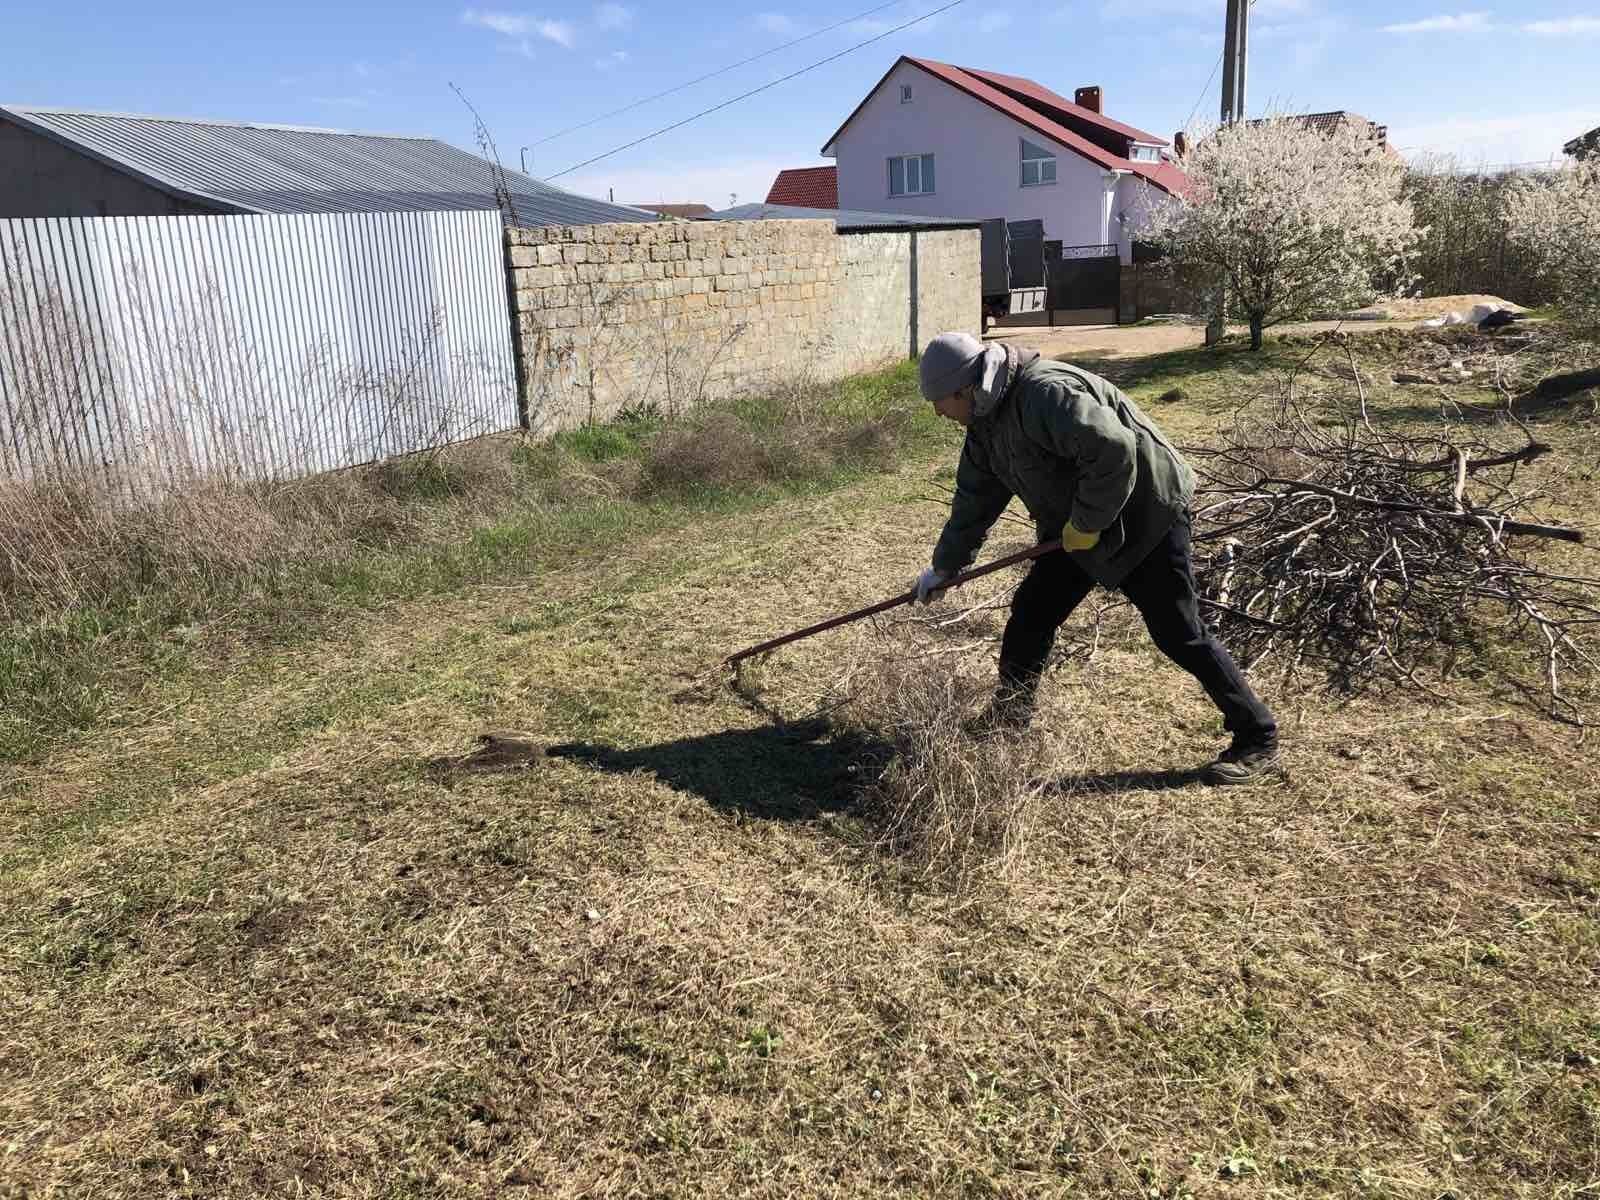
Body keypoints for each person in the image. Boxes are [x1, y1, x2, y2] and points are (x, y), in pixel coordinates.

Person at [912, 331, 1278, 785]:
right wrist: (945, 568)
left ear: (966, 388)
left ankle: (1256, 735)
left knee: (1178, 632)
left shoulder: (1046, 393)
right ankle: (1011, 715)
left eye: (940, 401)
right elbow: (974, 502)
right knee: (1032, 612)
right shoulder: (984, 425)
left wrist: (1085, 525)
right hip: (1078, 525)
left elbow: (1115, 452)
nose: (938, 412)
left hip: (1147, 514)